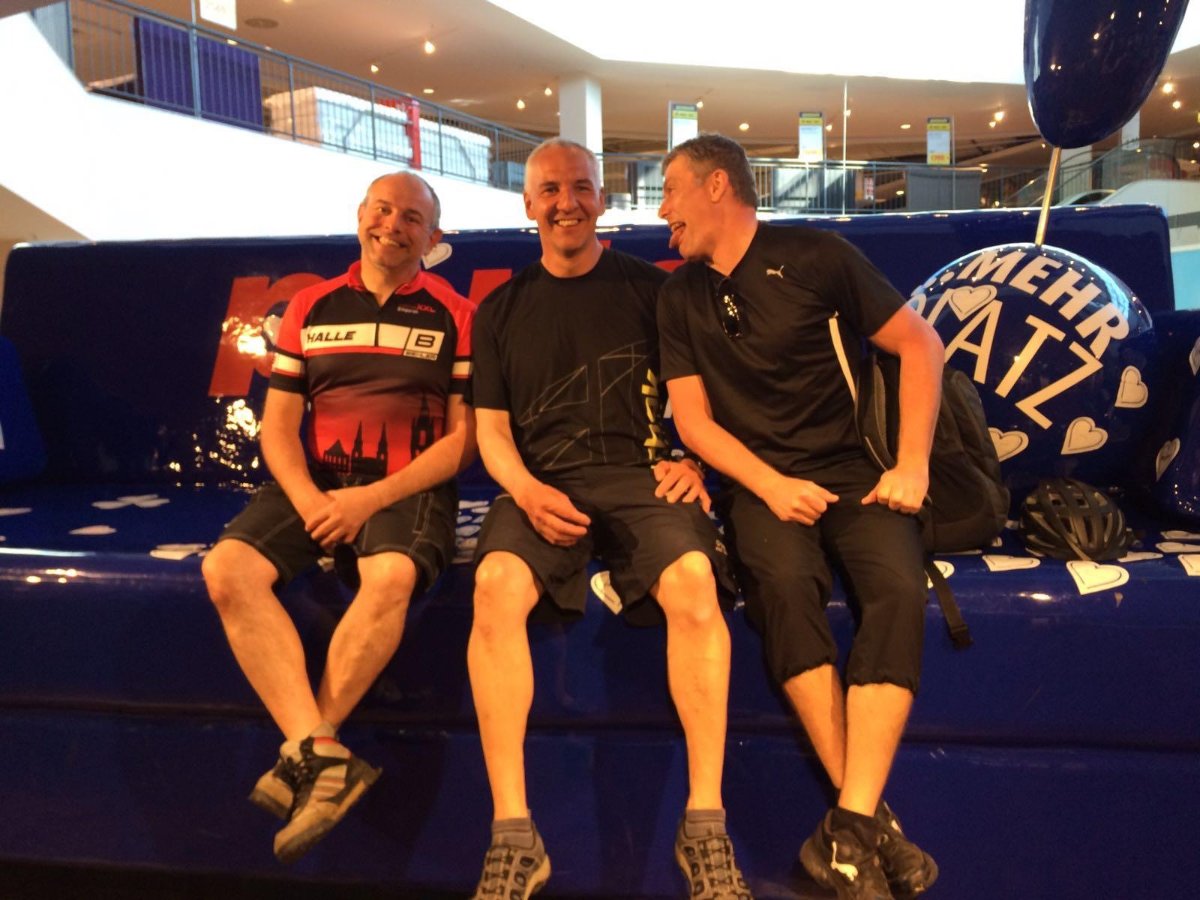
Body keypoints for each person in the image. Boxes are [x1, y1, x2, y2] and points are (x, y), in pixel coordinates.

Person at [656, 133, 943, 900]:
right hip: (759, 487)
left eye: (671, 190)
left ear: (718, 186)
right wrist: (770, 484)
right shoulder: (677, 296)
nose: (662, 211)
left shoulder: (817, 256)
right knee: (782, 588)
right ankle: (869, 825)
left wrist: (911, 465)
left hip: (854, 476)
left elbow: (921, 345)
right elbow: (694, 423)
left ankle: (847, 827)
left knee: (897, 589)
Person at [466, 138, 752, 900]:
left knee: (694, 582)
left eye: (581, 187)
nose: (567, 202)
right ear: (529, 204)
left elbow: (709, 396)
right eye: (551, 189)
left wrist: (696, 463)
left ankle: (706, 826)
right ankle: (514, 835)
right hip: (541, 486)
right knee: (494, 586)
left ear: (602, 199)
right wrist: (525, 491)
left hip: (641, 480)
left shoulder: (657, 291)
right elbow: (491, 433)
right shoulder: (499, 309)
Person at [201, 171, 476, 864]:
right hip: (315, 484)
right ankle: (321, 751)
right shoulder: (310, 305)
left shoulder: (458, 314)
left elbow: (462, 442)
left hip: (407, 485)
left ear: (432, 238)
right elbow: (278, 429)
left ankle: (306, 753)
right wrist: (309, 500)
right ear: (360, 217)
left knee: (390, 576)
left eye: (411, 217)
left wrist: (369, 500)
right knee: (227, 569)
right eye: (382, 210)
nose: (393, 225)